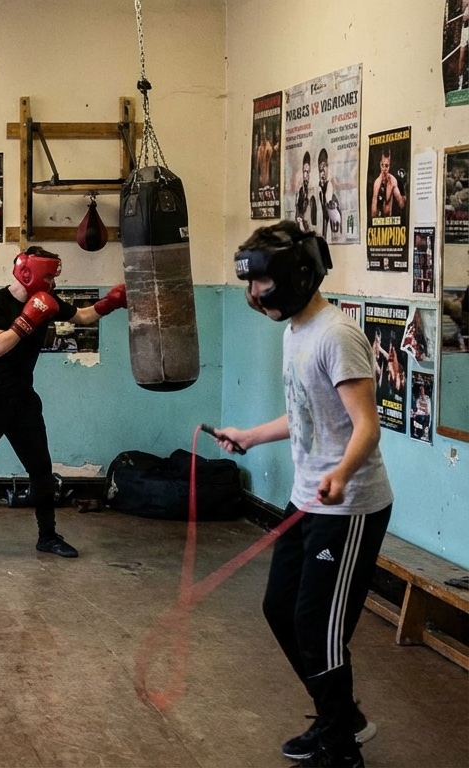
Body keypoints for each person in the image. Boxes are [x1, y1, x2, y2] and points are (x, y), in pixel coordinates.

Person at [213, 221, 391, 767]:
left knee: (318, 625)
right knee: (278, 608)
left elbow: (367, 425)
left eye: (261, 283)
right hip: (307, 499)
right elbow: (308, 413)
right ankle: (342, 717)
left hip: (349, 505)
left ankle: (341, 747)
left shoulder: (336, 335)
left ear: (293, 276)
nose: (253, 295)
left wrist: (340, 474)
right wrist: (251, 434)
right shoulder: (297, 332)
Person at [0, 246, 128, 559]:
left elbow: (83, 316)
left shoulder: (49, 299)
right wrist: (28, 319)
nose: (52, 284)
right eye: (48, 277)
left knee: (41, 468)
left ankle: (47, 535)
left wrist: (111, 302)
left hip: (23, 399)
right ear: (29, 273)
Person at [370, 149, 406, 219]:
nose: (384, 169)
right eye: (382, 165)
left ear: (389, 166)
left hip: (388, 221)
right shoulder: (376, 183)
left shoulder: (393, 181)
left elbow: (401, 204)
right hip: (378, 222)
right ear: (380, 164)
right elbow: (373, 212)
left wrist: (403, 188)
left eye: (386, 166)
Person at [316, 148, 341, 238]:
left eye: (324, 168)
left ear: (327, 168)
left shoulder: (330, 186)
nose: (322, 172)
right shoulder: (318, 190)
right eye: (320, 170)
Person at [296, 151, 317, 233]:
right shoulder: (301, 191)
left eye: (307, 172)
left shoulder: (313, 192)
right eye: (304, 172)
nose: (305, 175)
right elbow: (298, 209)